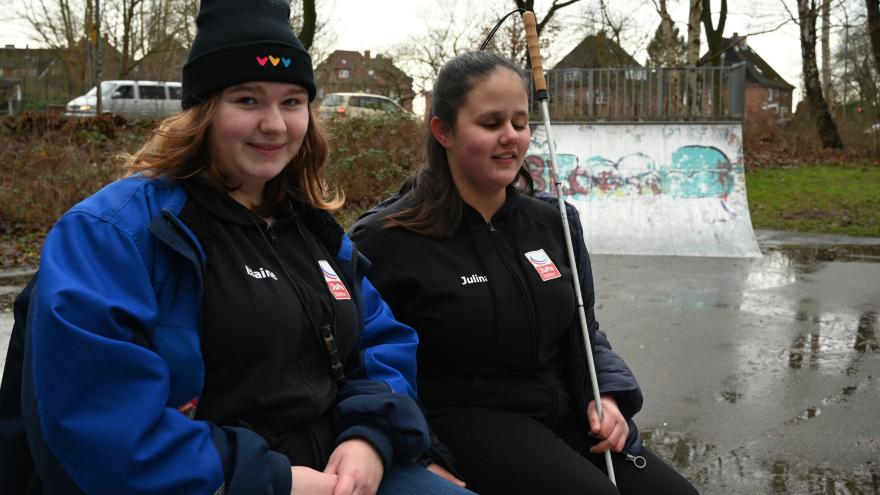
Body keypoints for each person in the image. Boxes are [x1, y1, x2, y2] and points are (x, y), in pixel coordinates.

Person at [12, 2, 477, 494]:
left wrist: (371, 434)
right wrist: (273, 481)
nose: (275, 125)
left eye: (292, 101)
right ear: (203, 112)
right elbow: (97, 423)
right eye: (248, 100)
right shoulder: (112, 234)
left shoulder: (314, 232)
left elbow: (382, 341)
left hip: (337, 470)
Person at [349, 51, 701, 495]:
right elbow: (361, 363)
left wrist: (605, 392)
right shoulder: (387, 238)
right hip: (465, 418)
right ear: (443, 131)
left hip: (562, 410)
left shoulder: (554, 222)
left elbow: (583, 330)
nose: (510, 138)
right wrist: (417, 451)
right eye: (491, 123)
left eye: (519, 122)